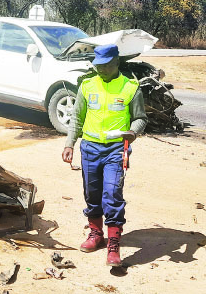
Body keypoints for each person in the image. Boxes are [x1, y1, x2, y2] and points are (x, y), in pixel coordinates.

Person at [61, 44, 148, 267]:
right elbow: (77, 119)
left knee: (112, 194)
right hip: (89, 148)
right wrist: (69, 143)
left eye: (106, 65)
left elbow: (141, 118)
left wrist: (133, 133)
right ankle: (96, 234)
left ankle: (114, 246)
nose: (101, 70)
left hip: (116, 149)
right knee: (92, 193)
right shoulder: (87, 86)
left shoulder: (130, 88)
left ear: (116, 62)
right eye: (98, 66)